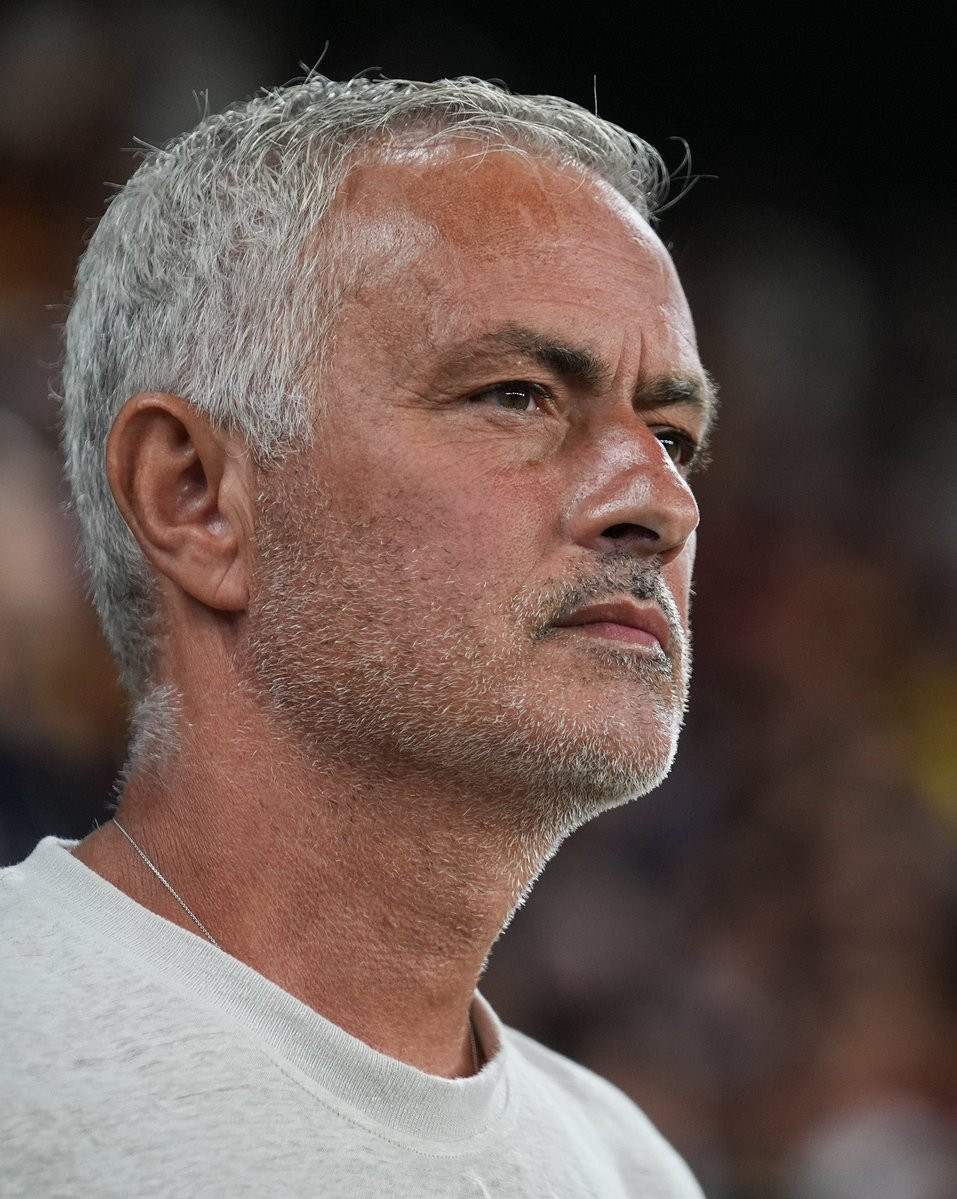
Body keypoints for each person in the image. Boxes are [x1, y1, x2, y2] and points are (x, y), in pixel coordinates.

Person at [0, 75, 716, 1195]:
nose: (663, 502)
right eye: (518, 394)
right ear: (197, 498)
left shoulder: (630, 1167)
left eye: (671, 434)